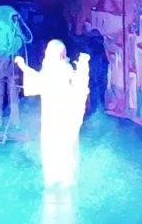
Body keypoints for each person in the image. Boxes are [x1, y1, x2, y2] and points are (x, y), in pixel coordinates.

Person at [14, 40, 90, 190]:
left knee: (55, 148)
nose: (46, 54)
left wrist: (22, 66)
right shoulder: (64, 68)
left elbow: (39, 81)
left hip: (56, 118)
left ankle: (57, 180)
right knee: (64, 148)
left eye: (49, 52)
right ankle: (65, 179)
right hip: (59, 118)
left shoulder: (56, 70)